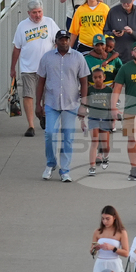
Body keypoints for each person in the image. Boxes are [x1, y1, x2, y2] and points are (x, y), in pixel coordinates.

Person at [36, 29, 89, 182]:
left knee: (67, 137)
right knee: (50, 133)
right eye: (61, 39)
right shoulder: (47, 58)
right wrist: (38, 104)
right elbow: (41, 82)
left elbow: (84, 82)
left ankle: (65, 170)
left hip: (71, 103)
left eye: (66, 39)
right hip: (51, 102)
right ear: (56, 41)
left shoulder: (78, 57)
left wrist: (83, 105)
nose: (64, 42)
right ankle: (51, 164)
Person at [10, 0, 58, 137]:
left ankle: (42, 115)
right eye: (34, 13)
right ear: (28, 13)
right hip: (28, 67)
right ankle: (31, 125)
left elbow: (58, 41)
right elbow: (17, 48)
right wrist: (12, 68)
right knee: (28, 94)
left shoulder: (49, 22)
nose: (38, 15)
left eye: (40, 12)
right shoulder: (22, 26)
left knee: (46, 96)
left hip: (46, 67)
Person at [90, 206, 130, 272]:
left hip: (114, 263)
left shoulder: (121, 232)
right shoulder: (98, 231)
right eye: (103, 219)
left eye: (108, 219)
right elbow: (92, 252)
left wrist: (113, 248)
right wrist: (95, 249)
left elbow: (126, 253)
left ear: (114, 217)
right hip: (100, 263)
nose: (105, 222)